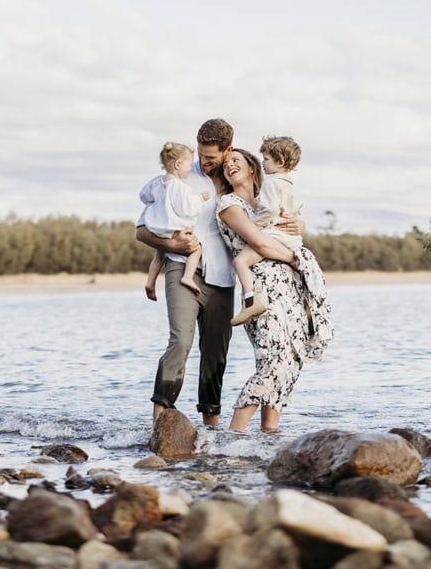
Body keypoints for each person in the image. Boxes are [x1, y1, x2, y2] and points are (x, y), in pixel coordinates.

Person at [136, 119, 302, 426]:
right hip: (184, 267)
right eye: (200, 154)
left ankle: (211, 428)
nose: (204, 161)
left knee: (215, 353)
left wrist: (298, 224)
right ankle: (159, 421)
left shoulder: (240, 179)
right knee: (180, 342)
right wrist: (170, 242)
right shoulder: (179, 177)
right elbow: (142, 230)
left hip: (224, 277)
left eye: (211, 157)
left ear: (227, 150)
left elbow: (275, 220)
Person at [216, 147, 332, 432]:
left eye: (236, 161)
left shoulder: (270, 196)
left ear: (253, 168)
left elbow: (292, 226)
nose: (230, 165)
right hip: (260, 288)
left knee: (293, 358)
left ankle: (269, 436)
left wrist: (299, 224)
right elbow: (262, 244)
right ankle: (235, 434)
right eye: (227, 164)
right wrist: (295, 258)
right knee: (273, 359)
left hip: (291, 288)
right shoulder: (229, 205)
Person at [229, 136, 304, 325]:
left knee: (240, 261)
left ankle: (250, 301)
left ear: (280, 161)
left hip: (274, 235)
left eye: (266, 159)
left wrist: (255, 225)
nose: (263, 163)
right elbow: (296, 210)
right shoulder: (291, 184)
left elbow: (269, 210)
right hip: (292, 239)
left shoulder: (270, 183)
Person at [140, 142, 211, 301]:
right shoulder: (180, 186)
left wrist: (157, 202)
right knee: (196, 248)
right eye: (188, 165)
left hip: (158, 227)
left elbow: (143, 196)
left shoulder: (157, 182)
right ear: (178, 164)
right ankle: (187, 276)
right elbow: (187, 208)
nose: (190, 169)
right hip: (174, 229)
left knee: (159, 254)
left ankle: (150, 282)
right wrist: (201, 198)